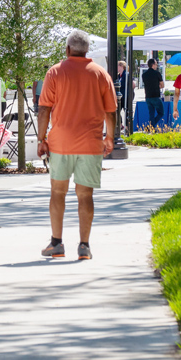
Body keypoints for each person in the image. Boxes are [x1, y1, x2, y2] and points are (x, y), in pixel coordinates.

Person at [36, 30, 117, 261]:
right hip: (91, 144)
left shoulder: (55, 72)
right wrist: (109, 137)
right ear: (87, 50)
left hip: (61, 143)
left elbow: (44, 109)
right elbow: (111, 111)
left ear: (68, 49)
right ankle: (84, 246)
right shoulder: (101, 74)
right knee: (85, 195)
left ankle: (56, 243)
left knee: (57, 192)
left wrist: (42, 140)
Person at [142, 58, 165, 128]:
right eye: (156, 64)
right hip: (155, 96)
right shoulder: (157, 73)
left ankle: (151, 127)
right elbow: (162, 85)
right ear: (153, 65)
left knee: (151, 114)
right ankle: (151, 126)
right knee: (161, 113)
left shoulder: (144, 74)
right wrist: (157, 85)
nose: (157, 65)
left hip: (148, 96)